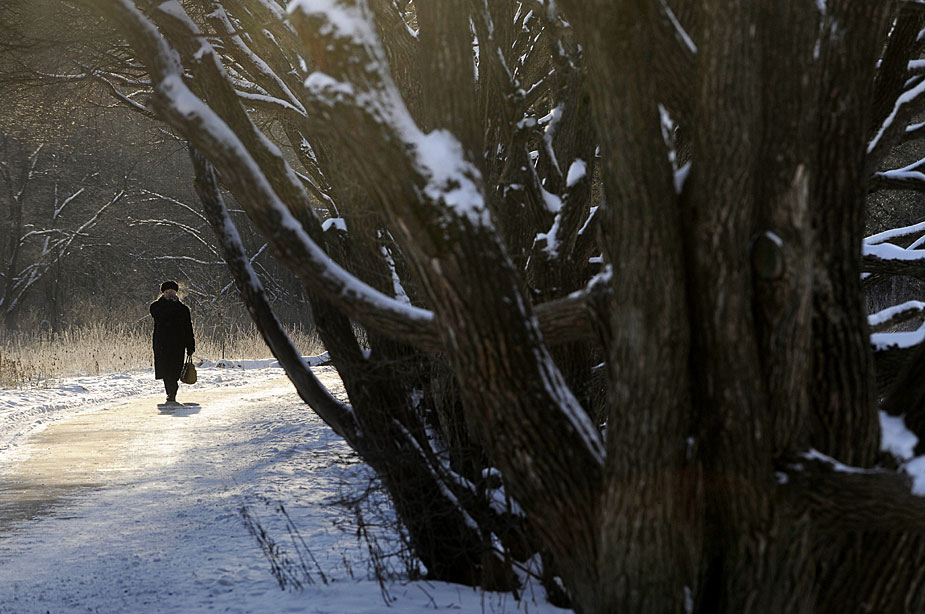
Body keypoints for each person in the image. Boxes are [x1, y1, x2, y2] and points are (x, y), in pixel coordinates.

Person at [150, 280, 195, 403]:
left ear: (176, 293)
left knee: (175, 369)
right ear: (163, 293)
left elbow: (188, 327)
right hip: (161, 344)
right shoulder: (156, 306)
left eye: (172, 292)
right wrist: (173, 306)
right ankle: (170, 392)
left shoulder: (183, 309)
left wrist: (190, 345)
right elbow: (162, 317)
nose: (170, 294)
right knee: (165, 370)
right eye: (167, 292)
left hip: (177, 344)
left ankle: (172, 391)